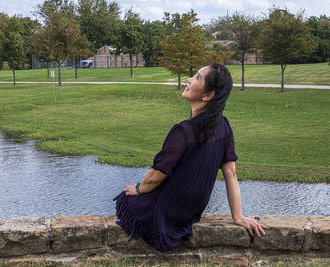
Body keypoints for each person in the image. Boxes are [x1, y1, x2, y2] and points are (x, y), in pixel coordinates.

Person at [114, 63, 266, 252]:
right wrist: (237, 216)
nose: (189, 79)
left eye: (197, 77)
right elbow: (231, 174)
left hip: (167, 210)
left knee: (124, 200)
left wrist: (139, 189)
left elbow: (156, 176)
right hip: (191, 211)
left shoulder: (183, 131)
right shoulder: (223, 126)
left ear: (208, 95)